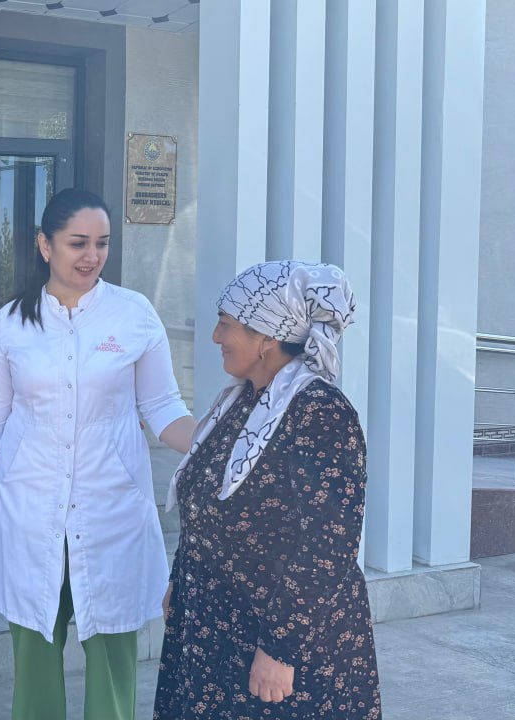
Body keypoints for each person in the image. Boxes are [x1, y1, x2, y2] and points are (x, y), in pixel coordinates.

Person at [0, 189, 196, 720]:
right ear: (45, 245)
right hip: (31, 511)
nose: (91, 256)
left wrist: (224, 444)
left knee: (112, 661)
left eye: (102, 243)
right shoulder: (12, 323)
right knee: (35, 661)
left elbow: (164, 407)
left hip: (111, 513)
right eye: (78, 243)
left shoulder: (133, 315)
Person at [152, 261, 381, 719]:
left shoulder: (319, 413)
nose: (215, 337)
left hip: (279, 645)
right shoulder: (242, 403)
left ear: (267, 337)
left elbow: (327, 546)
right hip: (216, 632)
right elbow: (203, 501)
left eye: (226, 324)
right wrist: (182, 579)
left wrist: (280, 648)